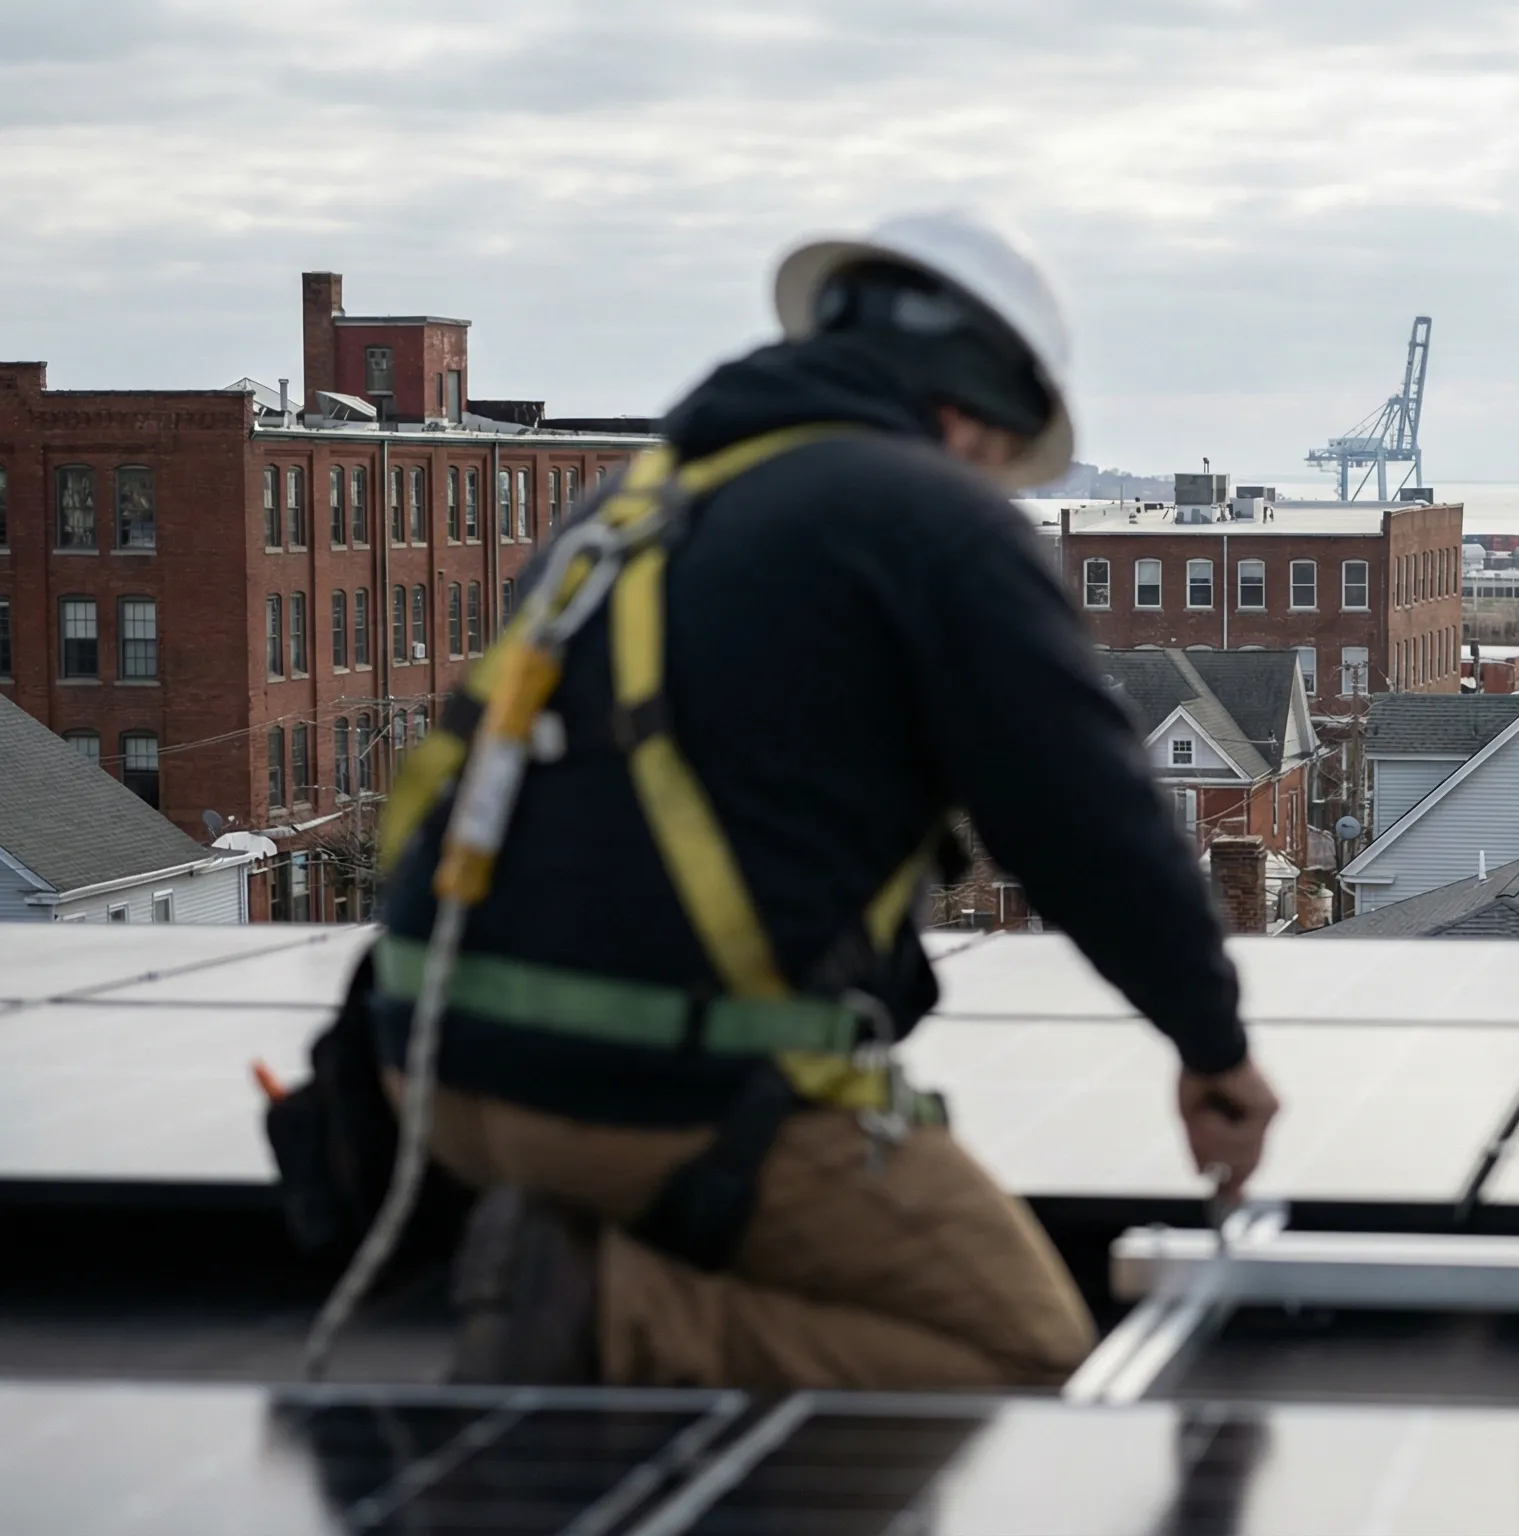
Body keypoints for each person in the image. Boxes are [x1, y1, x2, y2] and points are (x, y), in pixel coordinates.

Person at [366, 211, 1279, 1390]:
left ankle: (582, 1326)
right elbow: (1084, 822)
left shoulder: (628, 508)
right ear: (971, 416)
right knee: (1013, 1347)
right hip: (650, 1089)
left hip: (431, 1065)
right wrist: (1212, 1047)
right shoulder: (933, 519)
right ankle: (613, 1317)